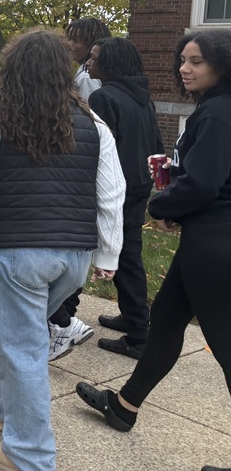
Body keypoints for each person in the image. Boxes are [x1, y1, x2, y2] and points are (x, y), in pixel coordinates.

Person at [0, 28, 123, 471]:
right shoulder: (93, 122)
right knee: (23, 340)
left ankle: (29, 454)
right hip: (74, 258)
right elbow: (111, 192)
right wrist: (109, 254)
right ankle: (11, 416)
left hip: (17, 255)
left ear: (11, 68)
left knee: (20, 347)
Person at [76, 29, 231, 471]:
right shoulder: (214, 108)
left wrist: (164, 205)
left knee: (226, 347)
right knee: (163, 324)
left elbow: (205, 182)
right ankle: (124, 406)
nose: (186, 68)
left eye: (197, 60)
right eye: (183, 59)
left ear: (221, 64)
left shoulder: (219, 111)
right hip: (204, 239)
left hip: (216, 246)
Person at [85, 37, 165, 359]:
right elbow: (156, 142)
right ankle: (133, 316)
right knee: (128, 252)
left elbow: (97, 150)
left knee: (122, 256)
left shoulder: (102, 97)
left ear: (111, 63)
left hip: (113, 187)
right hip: (138, 185)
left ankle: (138, 337)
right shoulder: (144, 98)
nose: (88, 63)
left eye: (93, 58)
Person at [47, 17, 113, 358]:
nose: (71, 45)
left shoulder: (88, 82)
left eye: (76, 40)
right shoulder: (82, 75)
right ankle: (63, 319)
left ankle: (64, 322)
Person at [66, 17, 111, 101]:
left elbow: (89, 112)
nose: (69, 43)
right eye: (69, 38)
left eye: (76, 39)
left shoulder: (87, 78)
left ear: (92, 43)